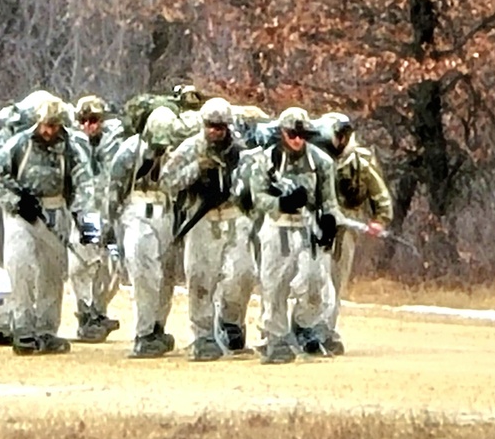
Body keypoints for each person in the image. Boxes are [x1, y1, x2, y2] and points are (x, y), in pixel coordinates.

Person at [0, 95, 95, 356]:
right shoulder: (18, 144)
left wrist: (85, 220)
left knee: (52, 272)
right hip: (21, 214)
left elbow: (85, 183)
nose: (49, 132)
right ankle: (23, 329)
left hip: (55, 211)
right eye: (45, 125)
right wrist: (15, 201)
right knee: (20, 266)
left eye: (54, 126)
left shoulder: (71, 147)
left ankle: (47, 331)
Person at [161, 97, 255, 361]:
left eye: (220, 127)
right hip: (202, 219)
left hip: (235, 217)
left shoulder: (240, 150)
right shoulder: (190, 148)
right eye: (210, 126)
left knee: (242, 274)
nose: (215, 131)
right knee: (201, 278)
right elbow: (167, 182)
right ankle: (203, 335)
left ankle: (231, 324)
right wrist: (195, 170)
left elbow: (254, 181)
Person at [248, 107, 341, 364]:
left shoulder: (321, 162)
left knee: (314, 281)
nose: (297, 139)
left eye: (302, 134)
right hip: (277, 225)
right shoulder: (266, 161)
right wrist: (281, 203)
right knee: (275, 284)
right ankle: (275, 337)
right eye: (292, 134)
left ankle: (303, 326)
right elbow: (257, 198)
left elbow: (330, 199)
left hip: (308, 226)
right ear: (282, 133)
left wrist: (330, 221)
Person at [108, 106, 180, 358]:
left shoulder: (176, 152)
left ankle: (159, 325)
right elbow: (114, 189)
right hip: (137, 212)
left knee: (166, 275)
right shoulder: (130, 151)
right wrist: (109, 227)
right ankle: (144, 332)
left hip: (167, 212)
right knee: (145, 273)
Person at [319, 112, 394, 340]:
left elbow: (379, 192)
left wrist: (380, 219)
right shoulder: (315, 157)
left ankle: (327, 330)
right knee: (311, 277)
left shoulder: (359, 160)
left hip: (347, 224)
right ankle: (305, 328)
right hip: (317, 222)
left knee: (336, 278)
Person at [68, 95, 126, 342]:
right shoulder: (72, 144)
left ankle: (100, 311)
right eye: (83, 120)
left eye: (93, 120)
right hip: (86, 214)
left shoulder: (116, 142)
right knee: (83, 263)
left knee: (113, 264)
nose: (88, 126)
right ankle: (87, 314)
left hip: (112, 214)